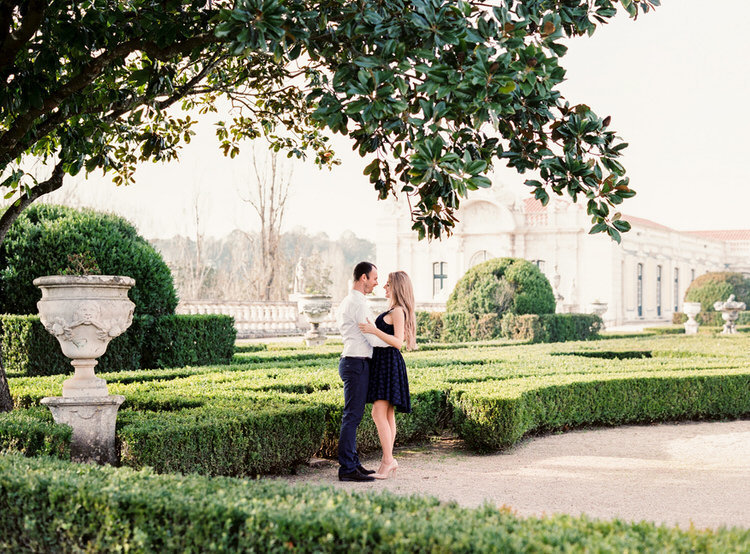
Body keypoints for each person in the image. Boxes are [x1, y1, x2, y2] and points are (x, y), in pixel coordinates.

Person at [335, 261, 390, 482]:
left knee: (353, 416)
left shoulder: (350, 301)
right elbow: (371, 337)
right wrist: (395, 343)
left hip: (354, 362)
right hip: (356, 363)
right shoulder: (358, 304)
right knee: (352, 417)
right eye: (374, 278)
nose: (377, 282)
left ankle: (353, 464)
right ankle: (347, 469)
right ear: (363, 277)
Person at [358, 270, 415, 479]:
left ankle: (387, 460)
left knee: (378, 413)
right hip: (384, 363)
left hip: (389, 363)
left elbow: (398, 342)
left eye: (388, 284)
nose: (384, 287)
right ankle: (387, 461)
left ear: (397, 287)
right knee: (387, 415)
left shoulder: (398, 311)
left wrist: (374, 330)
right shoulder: (394, 309)